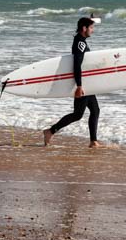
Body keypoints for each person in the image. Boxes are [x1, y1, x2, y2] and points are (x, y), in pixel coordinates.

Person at [43, 17, 105, 148]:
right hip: (82, 83)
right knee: (78, 114)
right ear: (84, 28)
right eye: (91, 27)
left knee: (94, 110)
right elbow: (77, 65)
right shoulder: (80, 43)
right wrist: (79, 86)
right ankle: (50, 131)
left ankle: (93, 141)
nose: (92, 30)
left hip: (85, 82)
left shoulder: (80, 41)